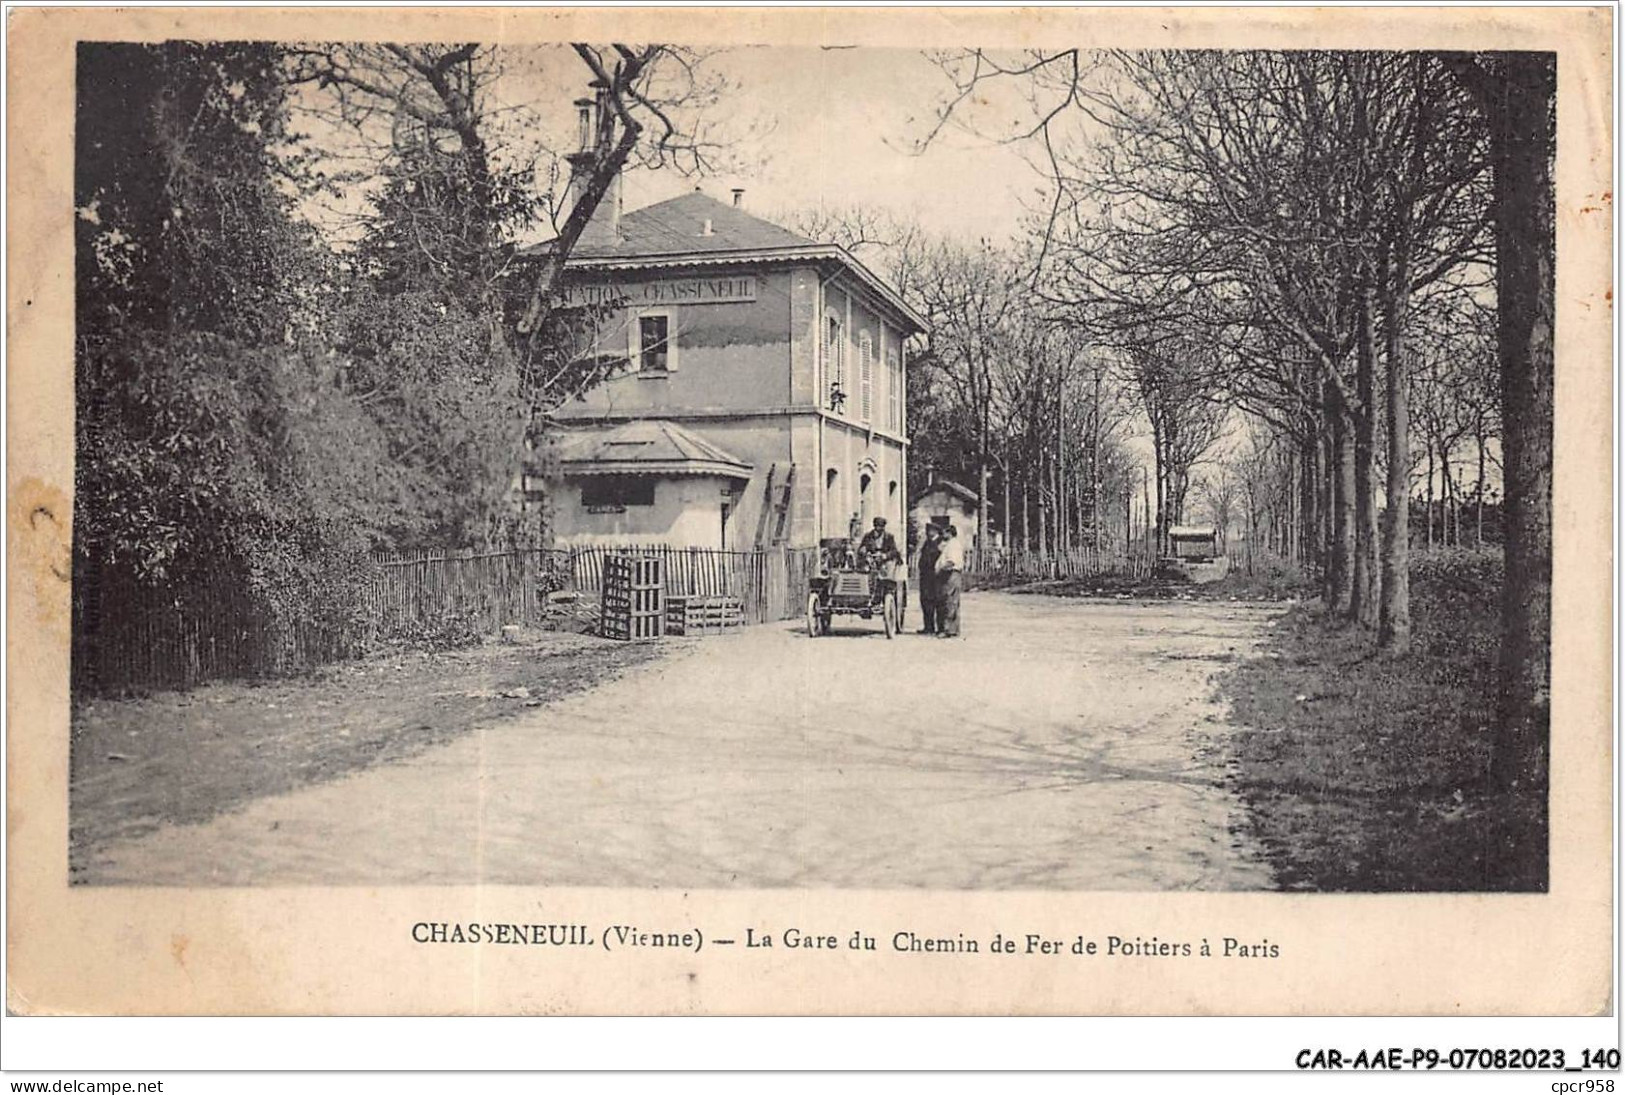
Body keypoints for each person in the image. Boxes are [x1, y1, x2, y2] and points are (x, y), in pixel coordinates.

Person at [935, 523, 964, 638]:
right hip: (951, 574)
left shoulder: (953, 545)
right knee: (952, 601)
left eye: (945, 533)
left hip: (950, 575)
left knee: (949, 601)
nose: (943, 535)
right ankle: (953, 629)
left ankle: (948, 630)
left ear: (950, 533)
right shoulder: (950, 544)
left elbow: (951, 562)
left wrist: (940, 570)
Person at [915, 523, 943, 634]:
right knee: (925, 601)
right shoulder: (927, 542)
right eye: (928, 530)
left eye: (930, 530)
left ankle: (940, 628)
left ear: (936, 531)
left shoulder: (940, 543)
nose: (928, 532)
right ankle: (928, 627)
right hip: (925, 576)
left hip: (935, 577)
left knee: (937, 601)